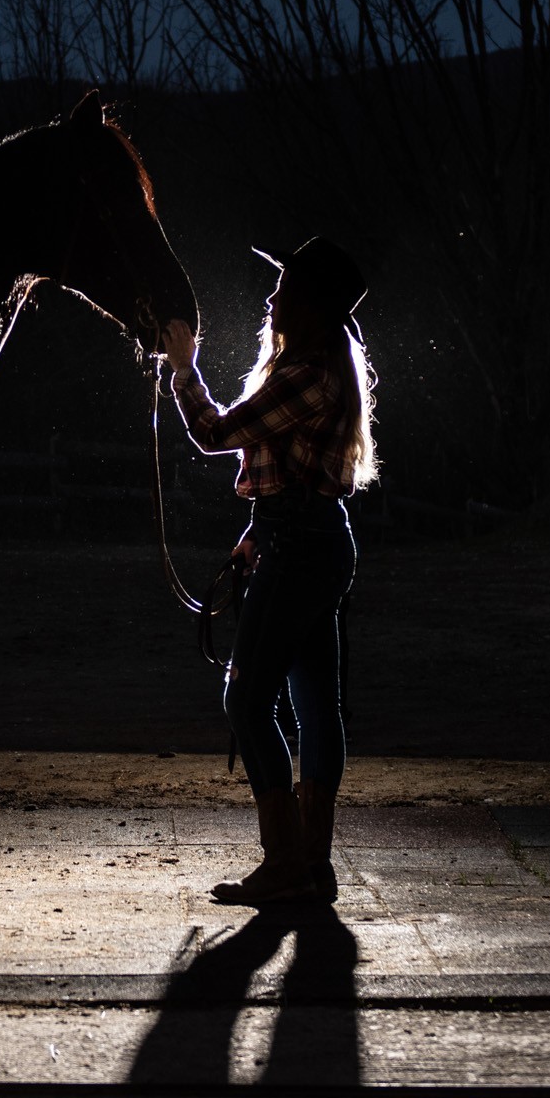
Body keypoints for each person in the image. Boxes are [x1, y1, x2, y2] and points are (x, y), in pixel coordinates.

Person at [161, 237, 379, 905]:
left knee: (246, 699)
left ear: (308, 304)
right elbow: (293, 469)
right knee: (315, 705)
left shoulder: (306, 373)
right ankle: (311, 862)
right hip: (306, 542)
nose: (271, 296)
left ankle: (286, 860)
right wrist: (259, 529)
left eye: (283, 286)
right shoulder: (322, 369)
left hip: (300, 549)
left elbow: (216, 431)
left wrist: (184, 369)